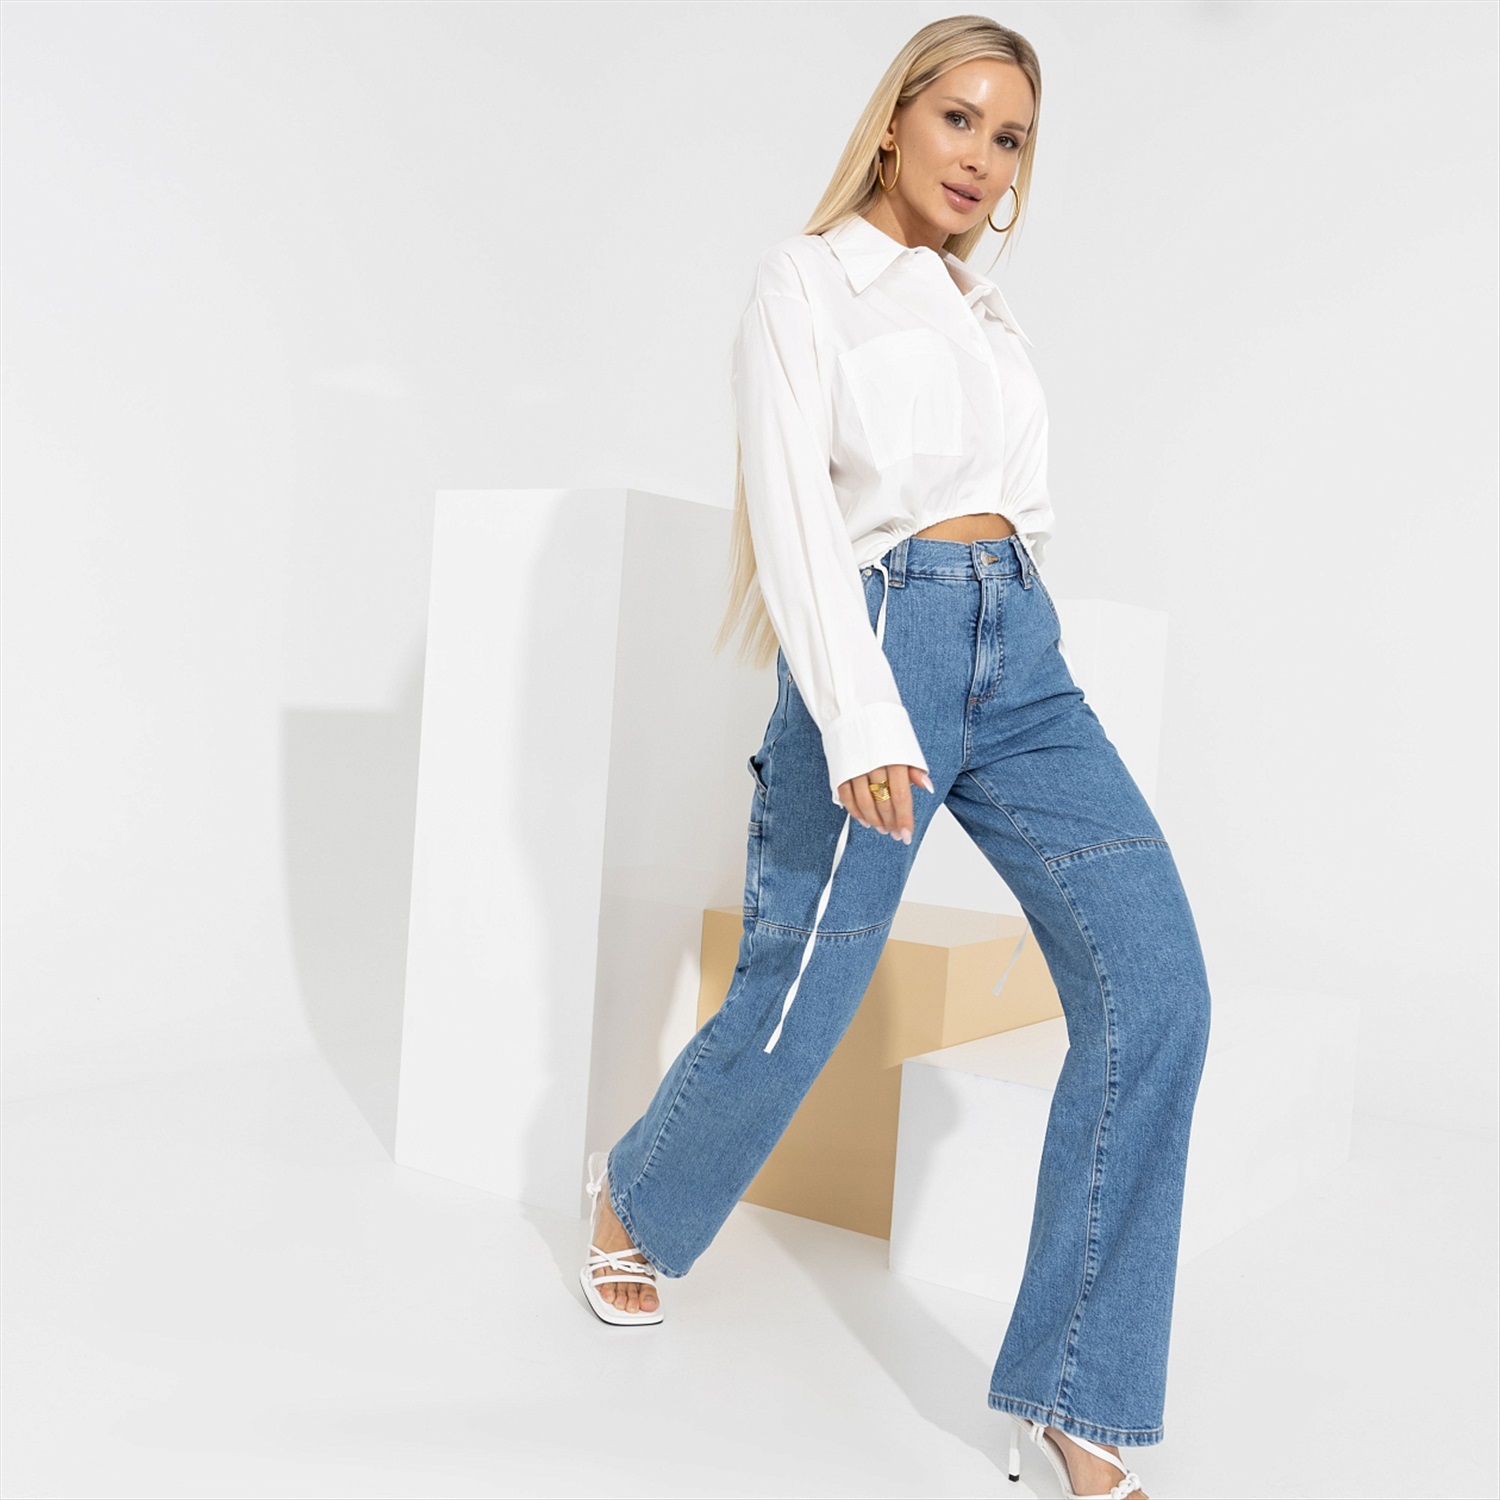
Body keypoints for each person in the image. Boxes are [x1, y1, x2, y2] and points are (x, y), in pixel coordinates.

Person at [576, 17, 1211, 1500]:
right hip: (883, 634)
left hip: (1020, 649)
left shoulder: (988, 316)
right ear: (894, 121)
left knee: (1157, 982)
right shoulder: (808, 281)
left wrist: (1015, 633)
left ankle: (1079, 1395)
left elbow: (1018, 513)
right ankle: (638, 1199)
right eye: (961, 120)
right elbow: (794, 507)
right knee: (804, 995)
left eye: (1011, 138)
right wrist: (862, 713)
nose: (983, 159)